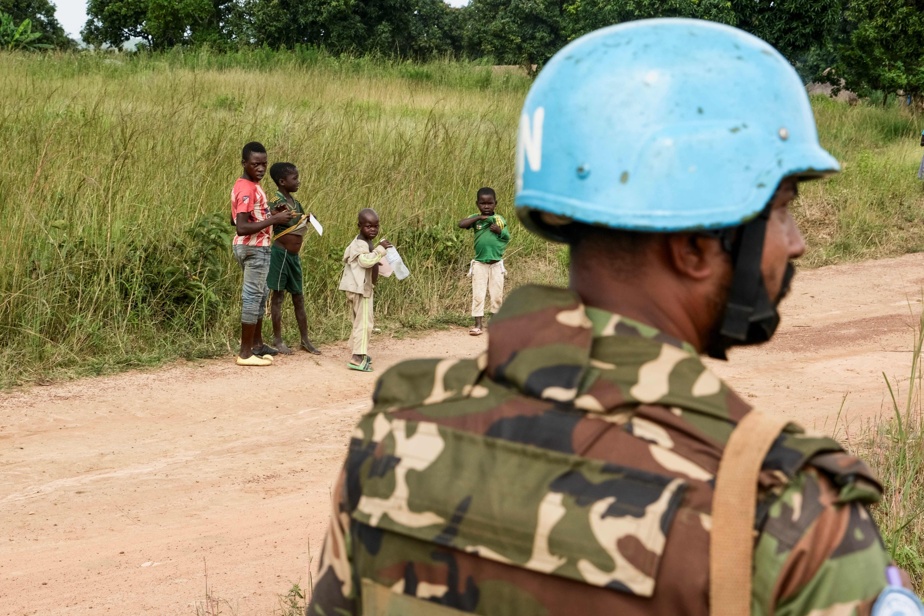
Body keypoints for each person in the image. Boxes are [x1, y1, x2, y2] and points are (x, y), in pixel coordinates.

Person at [309, 19, 921, 616]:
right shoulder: (794, 522)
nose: (797, 243)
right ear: (696, 247)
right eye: (783, 208)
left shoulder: (394, 437)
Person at [230, 142, 293, 367]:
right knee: (252, 297)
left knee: (260, 295)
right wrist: (274, 220)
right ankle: (245, 353)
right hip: (253, 247)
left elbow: (236, 217)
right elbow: (241, 227)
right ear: (244, 163)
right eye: (255, 164)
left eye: (264, 164)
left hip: (257, 247)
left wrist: (270, 213)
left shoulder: (248, 186)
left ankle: (256, 345)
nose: (261, 168)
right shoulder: (247, 187)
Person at [266, 162, 321, 355]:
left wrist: (308, 218)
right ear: (282, 181)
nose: (298, 181)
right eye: (294, 178)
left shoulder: (295, 203)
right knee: (278, 296)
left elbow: (297, 221)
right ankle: (278, 339)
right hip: (280, 254)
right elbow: (268, 216)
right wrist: (275, 213)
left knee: (299, 296)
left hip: (293, 257)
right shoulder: (276, 200)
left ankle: (305, 339)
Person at [338, 208, 392, 372]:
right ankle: (357, 357)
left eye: (376, 226)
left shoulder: (365, 242)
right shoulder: (359, 244)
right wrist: (381, 250)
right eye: (368, 226)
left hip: (360, 288)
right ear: (359, 226)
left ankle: (358, 352)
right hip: (360, 290)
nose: (373, 230)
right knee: (365, 323)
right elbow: (365, 261)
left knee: (359, 322)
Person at [457, 187, 510, 336]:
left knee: (496, 295)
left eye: (490, 203)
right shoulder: (476, 219)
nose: (486, 206)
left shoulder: (499, 219)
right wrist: (479, 218)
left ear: (495, 204)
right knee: (478, 294)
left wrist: (499, 231)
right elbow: (462, 224)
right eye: (482, 203)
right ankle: (478, 325)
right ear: (477, 204)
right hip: (480, 264)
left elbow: (507, 237)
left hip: (496, 264)